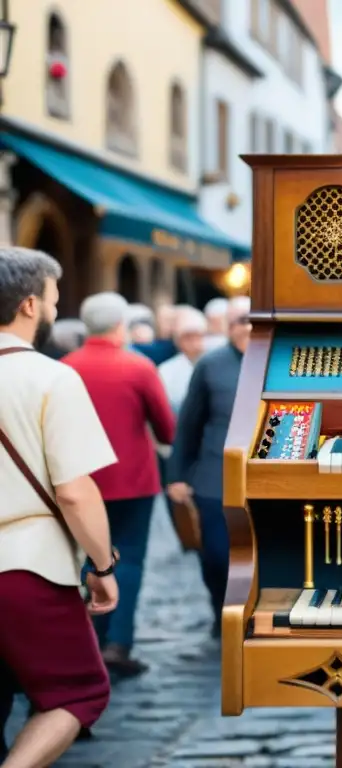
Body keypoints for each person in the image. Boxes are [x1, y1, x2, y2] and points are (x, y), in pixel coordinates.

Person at [0, 247, 120, 767]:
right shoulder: (51, 377)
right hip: (25, 565)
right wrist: (103, 564)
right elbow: (75, 491)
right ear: (29, 305)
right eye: (52, 297)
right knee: (77, 693)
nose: (54, 308)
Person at [63, 292, 176, 677]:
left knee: (83, 559)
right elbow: (165, 426)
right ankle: (118, 642)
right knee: (129, 558)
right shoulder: (138, 366)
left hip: (76, 480)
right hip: (132, 481)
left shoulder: (65, 367)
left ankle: (86, 641)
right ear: (120, 326)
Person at [166, 296, 251, 638]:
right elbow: (189, 423)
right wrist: (176, 475)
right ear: (227, 327)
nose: (245, 327)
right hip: (215, 477)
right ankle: (222, 610)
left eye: (251, 320)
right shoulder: (210, 365)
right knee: (216, 555)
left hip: (264, 476)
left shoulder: (279, 358)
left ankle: (249, 613)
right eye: (238, 322)